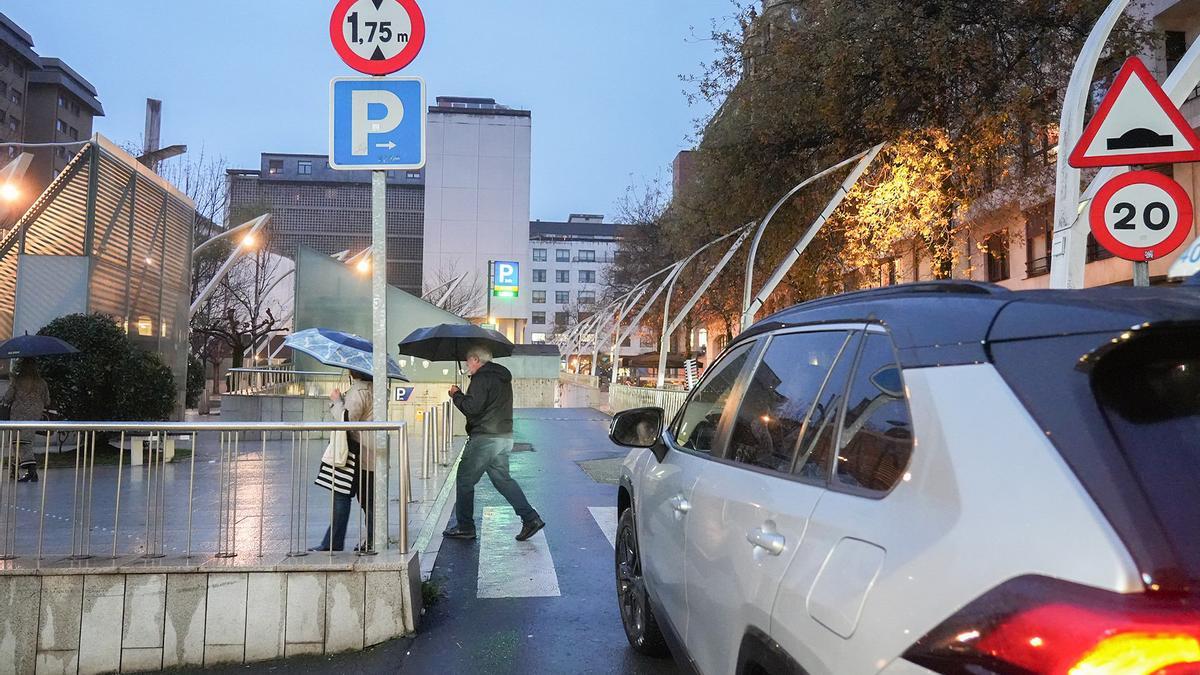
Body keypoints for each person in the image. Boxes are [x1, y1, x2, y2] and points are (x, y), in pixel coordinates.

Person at [442, 345, 544, 542]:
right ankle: (531, 518)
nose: (466, 365)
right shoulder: (502, 377)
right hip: (502, 436)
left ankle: (465, 527)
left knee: (464, 480)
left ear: (476, 360)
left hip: (484, 438)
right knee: (502, 480)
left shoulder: (481, 378)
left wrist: (456, 394)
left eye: (468, 361)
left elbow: (472, 408)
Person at [312, 369, 376, 552]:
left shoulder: (359, 392)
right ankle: (371, 540)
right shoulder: (375, 389)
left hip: (354, 454)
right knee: (369, 502)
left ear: (352, 371)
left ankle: (333, 543)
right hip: (368, 454)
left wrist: (336, 401)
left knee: (342, 496)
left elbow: (347, 421)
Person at [3, 358, 50, 483]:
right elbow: (47, 401)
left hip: (18, 417)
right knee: (26, 442)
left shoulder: (17, 381)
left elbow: (7, 398)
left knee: (18, 443)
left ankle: (31, 471)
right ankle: (19, 470)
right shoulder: (42, 383)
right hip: (35, 417)